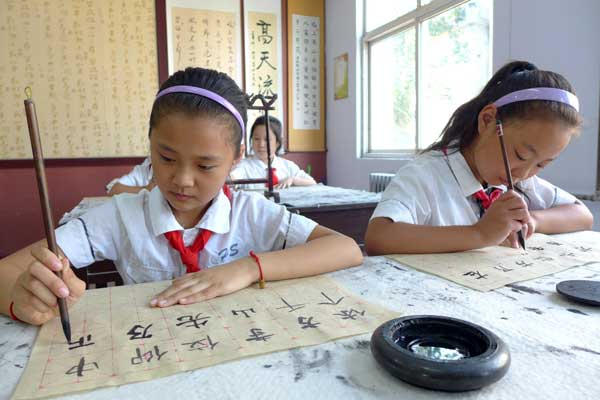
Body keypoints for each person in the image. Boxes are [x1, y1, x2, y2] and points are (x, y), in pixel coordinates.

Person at [1, 67, 362, 325]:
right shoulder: (121, 215)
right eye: (167, 158)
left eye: (205, 166)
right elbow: (7, 271)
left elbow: (345, 248)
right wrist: (22, 298)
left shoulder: (251, 212)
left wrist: (249, 268)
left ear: (237, 158)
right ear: (150, 146)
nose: (182, 180)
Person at [365, 60, 593, 255]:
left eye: (542, 164)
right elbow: (378, 237)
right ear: (487, 120)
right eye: (520, 155)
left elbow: (582, 214)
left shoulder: (521, 180)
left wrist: (533, 220)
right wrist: (479, 233)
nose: (523, 173)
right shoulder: (426, 174)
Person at [230, 115, 316, 189]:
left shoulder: (287, 166)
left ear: (278, 142)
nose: (261, 144)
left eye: (267, 139)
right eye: (256, 139)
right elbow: (231, 179)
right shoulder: (244, 166)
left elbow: (312, 182)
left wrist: (293, 179)